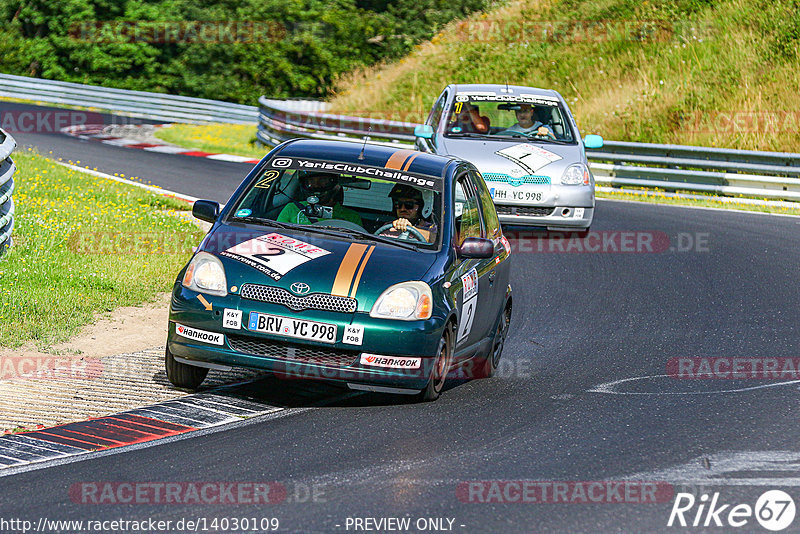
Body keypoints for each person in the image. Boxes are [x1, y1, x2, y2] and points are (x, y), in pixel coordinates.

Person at [277, 172, 362, 225]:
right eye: (312, 182)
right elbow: (277, 235)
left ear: (336, 185)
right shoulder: (292, 208)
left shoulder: (351, 217)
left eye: (323, 181)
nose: (316, 185)